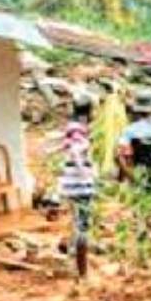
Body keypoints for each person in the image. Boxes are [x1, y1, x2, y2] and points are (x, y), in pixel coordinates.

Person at [57, 93, 97, 278]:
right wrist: (84, 171)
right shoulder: (79, 130)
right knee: (83, 225)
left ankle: (71, 256)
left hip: (71, 183)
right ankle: (82, 272)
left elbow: (66, 146)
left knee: (76, 220)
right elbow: (75, 151)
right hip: (80, 185)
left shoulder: (72, 128)